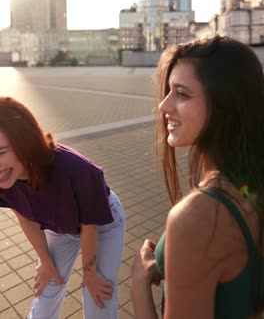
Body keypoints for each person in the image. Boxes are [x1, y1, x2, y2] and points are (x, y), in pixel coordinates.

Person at [131, 35, 264, 319]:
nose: (164, 106)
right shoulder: (252, 185)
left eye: (181, 94)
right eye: (168, 91)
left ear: (223, 105)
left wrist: (139, 284)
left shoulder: (198, 218)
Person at [0, 96, 125, 319]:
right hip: (60, 226)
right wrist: (46, 263)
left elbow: (90, 225)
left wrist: (90, 274)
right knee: (46, 290)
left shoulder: (75, 169)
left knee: (97, 297)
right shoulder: (5, 178)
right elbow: (25, 217)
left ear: (24, 141)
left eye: (0, 152)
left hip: (101, 222)